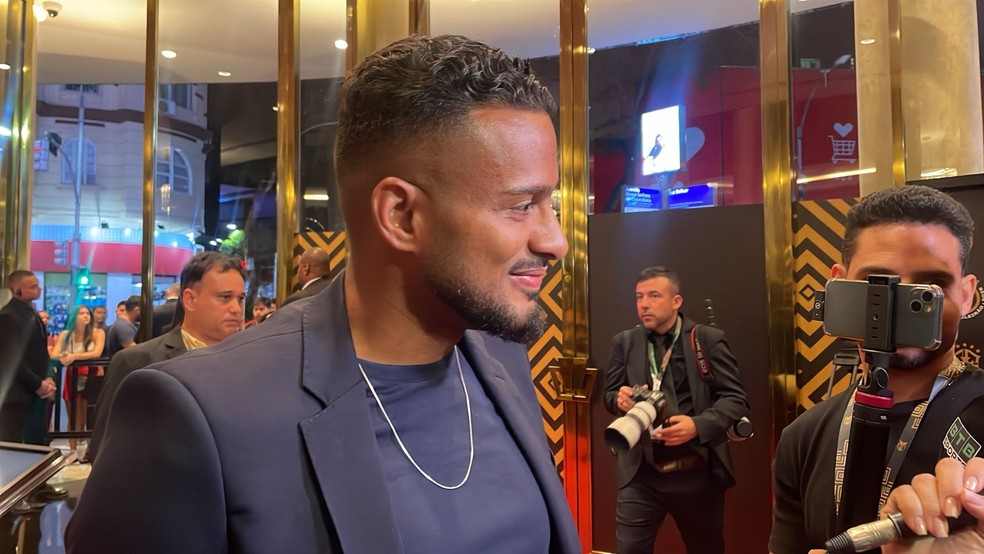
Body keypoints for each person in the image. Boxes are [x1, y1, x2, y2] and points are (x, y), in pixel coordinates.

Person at [66, 34, 580, 553]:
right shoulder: (197, 415)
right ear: (400, 215)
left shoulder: (503, 362)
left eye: (550, 202)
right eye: (521, 205)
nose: (554, 240)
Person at [769, 185, 984, 553]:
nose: (902, 308)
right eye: (879, 285)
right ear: (839, 286)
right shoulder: (801, 437)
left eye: (929, 288)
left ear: (966, 295)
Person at [603, 266, 750, 553]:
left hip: (696, 474)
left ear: (676, 301)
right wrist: (617, 400)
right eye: (639, 297)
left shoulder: (706, 339)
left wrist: (697, 425)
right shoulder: (625, 342)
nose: (644, 303)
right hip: (640, 473)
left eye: (654, 295)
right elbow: (609, 394)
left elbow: (736, 399)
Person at [86, 252, 246, 463]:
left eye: (240, 298)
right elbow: (105, 451)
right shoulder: (139, 362)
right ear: (190, 299)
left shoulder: (249, 361)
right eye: (225, 297)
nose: (236, 309)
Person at [0, 270, 56, 443]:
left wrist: (48, 377)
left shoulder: (31, 312)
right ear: (18, 290)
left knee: (36, 442)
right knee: (14, 446)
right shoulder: (8, 316)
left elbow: (40, 350)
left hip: (35, 391)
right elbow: (11, 359)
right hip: (16, 395)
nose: (38, 289)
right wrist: (37, 383)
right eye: (33, 287)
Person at [50, 305, 106, 450]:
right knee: (73, 415)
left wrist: (74, 356)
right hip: (72, 375)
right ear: (74, 316)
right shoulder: (65, 334)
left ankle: (90, 449)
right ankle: (73, 449)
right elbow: (54, 354)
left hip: (91, 374)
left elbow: (96, 353)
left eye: (87, 313)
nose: (85, 316)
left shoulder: (98, 333)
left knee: (90, 414)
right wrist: (64, 355)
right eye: (81, 313)